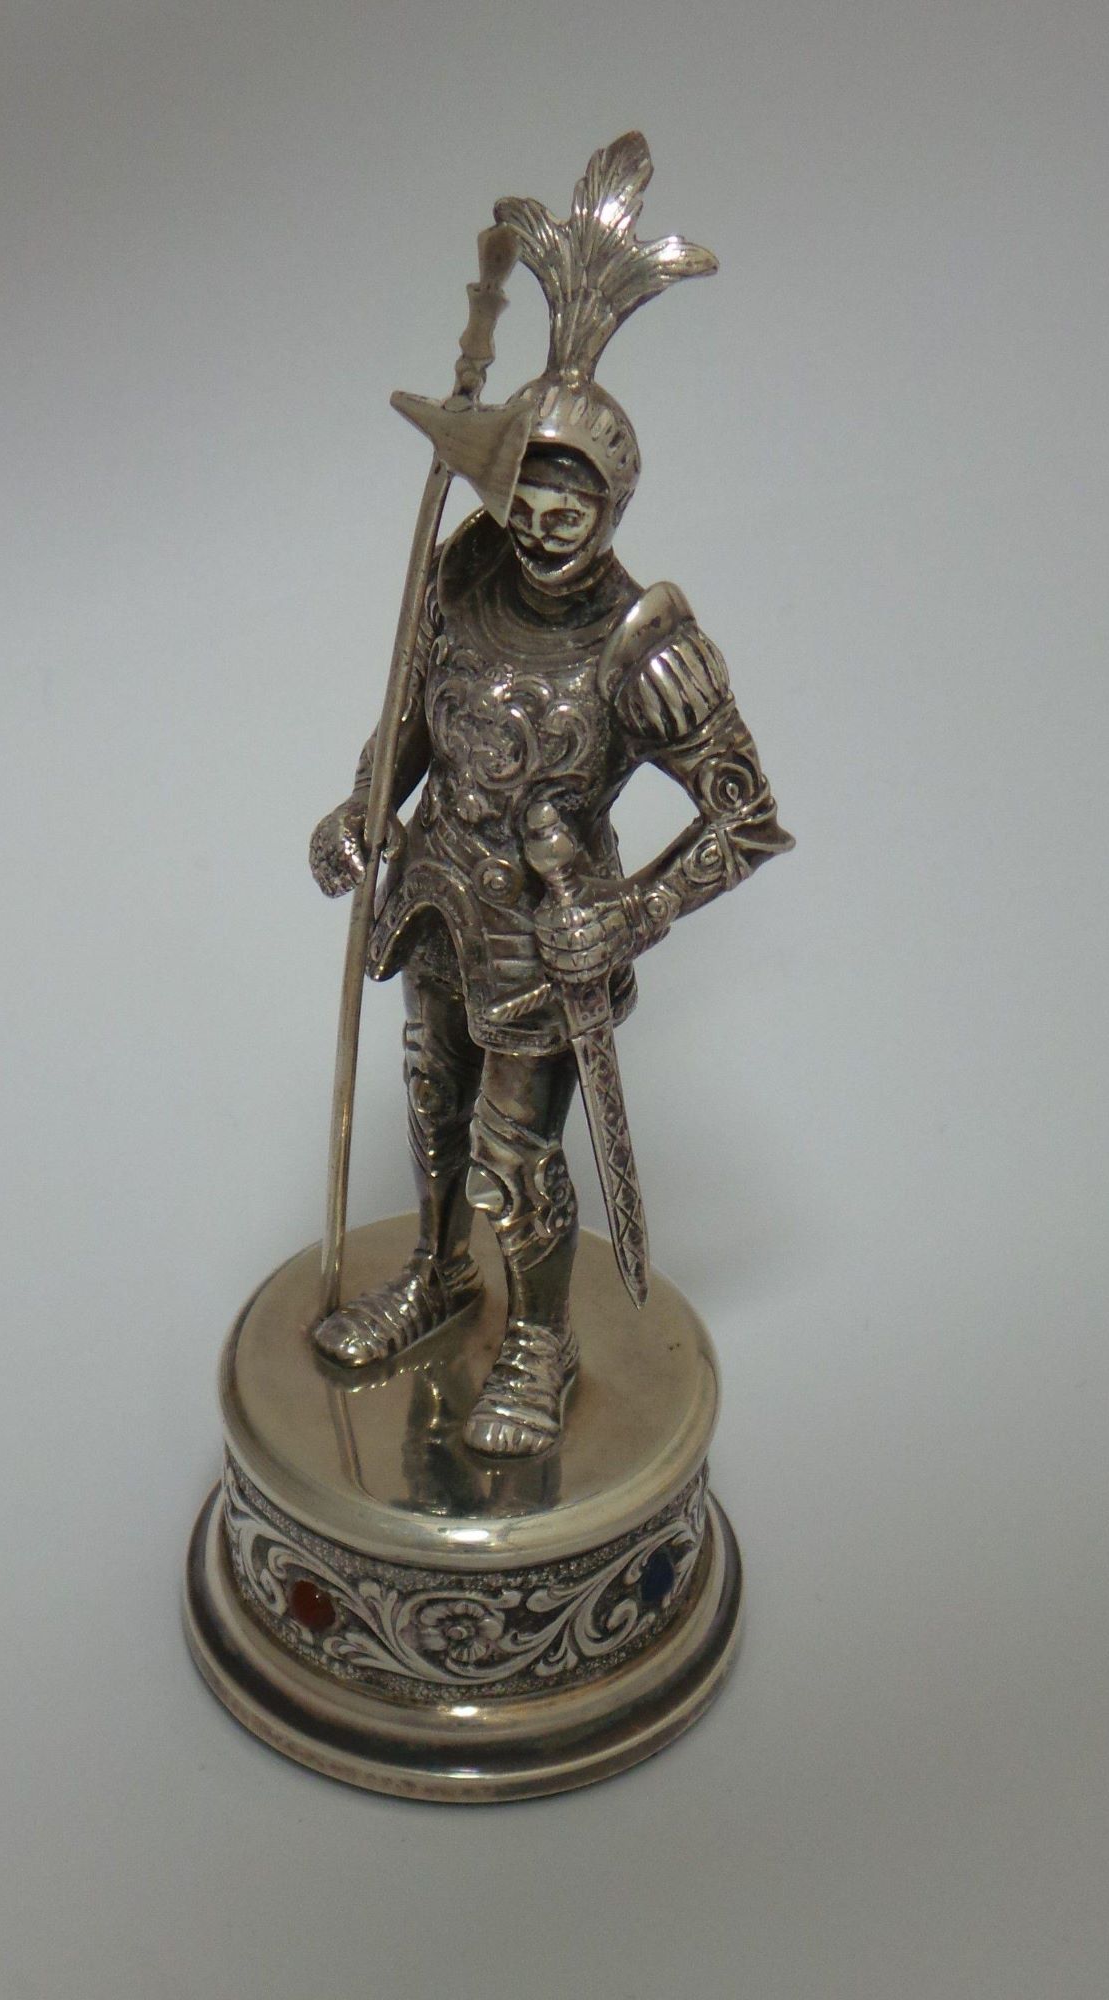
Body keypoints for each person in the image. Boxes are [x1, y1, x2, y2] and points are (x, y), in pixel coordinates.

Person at [307, 134, 793, 1457]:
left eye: (568, 503)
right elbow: (417, 713)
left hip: (544, 924)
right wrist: (365, 806)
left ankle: (538, 1343)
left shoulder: (645, 644)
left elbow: (745, 815)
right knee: (431, 1098)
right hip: (435, 889)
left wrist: (629, 915)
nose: (539, 522)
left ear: (612, 505)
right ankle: (437, 1275)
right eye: (523, 491)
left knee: (514, 1154)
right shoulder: (461, 572)